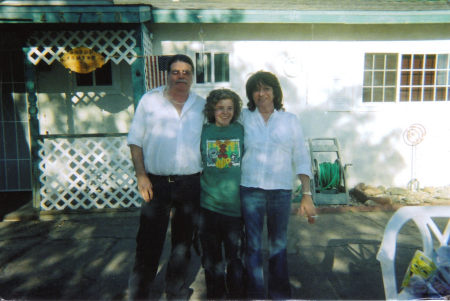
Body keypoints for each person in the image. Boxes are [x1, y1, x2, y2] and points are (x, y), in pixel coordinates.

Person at [126, 54, 205, 300]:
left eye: (186, 72)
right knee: (149, 240)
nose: (181, 76)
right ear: (167, 74)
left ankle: (175, 288)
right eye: (175, 71)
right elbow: (135, 141)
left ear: (192, 76)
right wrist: (141, 175)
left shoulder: (201, 105)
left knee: (183, 242)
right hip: (157, 182)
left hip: (190, 183)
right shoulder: (150, 101)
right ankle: (139, 291)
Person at [240, 70, 317, 299]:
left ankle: (279, 294)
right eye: (256, 89)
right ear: (251, 94)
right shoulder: (244, 117)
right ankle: (254, 293)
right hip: (250, 189)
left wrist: (307, 194)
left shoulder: (289, 120)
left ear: (275, 92)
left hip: (281, 191)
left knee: (278, 246)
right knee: (252, 246)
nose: (261, 94)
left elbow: (301, 156)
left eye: (266, 88)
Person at [198, 89, 245, 299]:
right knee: (212, 258)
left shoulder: (242, 131)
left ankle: (236, 292)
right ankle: (216, 293)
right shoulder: (204, 132)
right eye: (220, 108)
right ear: (212, 110)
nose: (225, 112)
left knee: (235, 258)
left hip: (235, 208)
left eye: (229, 108)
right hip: (208, 206)